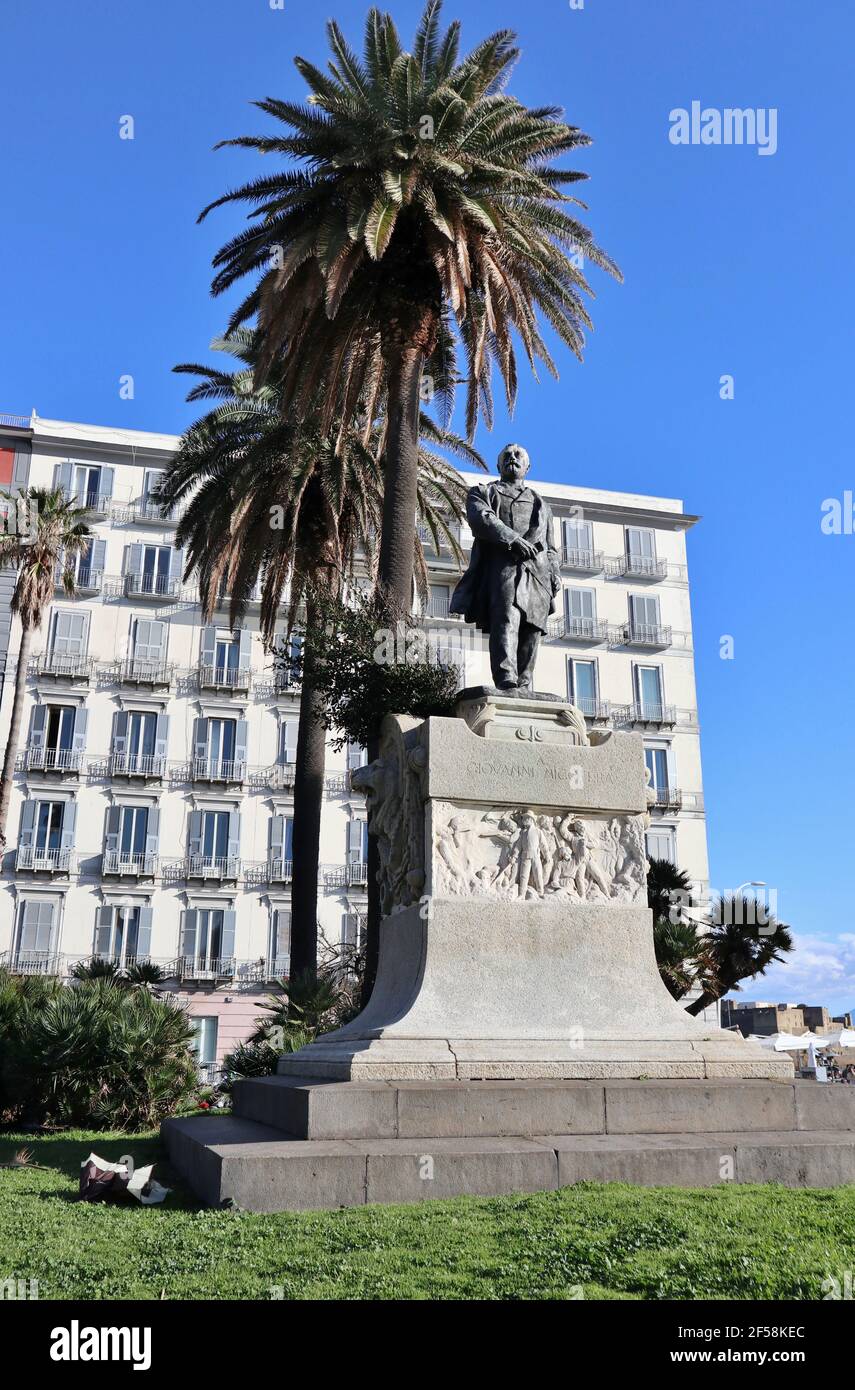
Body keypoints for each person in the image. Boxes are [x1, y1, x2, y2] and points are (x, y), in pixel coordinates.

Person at [450, 443, 561, 692]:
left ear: (527, 466)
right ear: (499, 466)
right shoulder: (484, 492)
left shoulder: (541, 504)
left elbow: (551, 546)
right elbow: (482, 518)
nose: (513, 458)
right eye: (507, 456)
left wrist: (555, 573)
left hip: (538, 573)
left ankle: (524, 683)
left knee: (533, 629)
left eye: (518, 455)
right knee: (506, 620)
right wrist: (513, 539)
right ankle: (506, 678)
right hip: (503, 568)